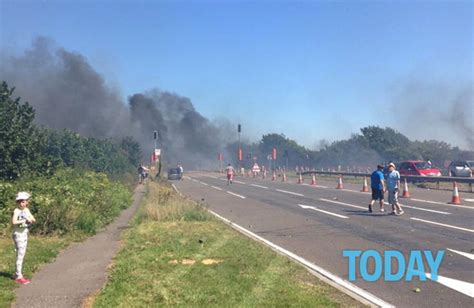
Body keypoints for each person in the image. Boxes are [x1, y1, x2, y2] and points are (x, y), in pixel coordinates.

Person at [12, 191, 36, 285]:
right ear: (17, 203)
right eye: (20, 202)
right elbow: (14, 222)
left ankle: (17, 273)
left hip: (24, 233)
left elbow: (33, 218)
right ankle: (19, 276)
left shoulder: (26, 210)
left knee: (21, 253)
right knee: (20, 254)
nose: (22, 203)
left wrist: (31, 220)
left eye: (24, 201)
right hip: (18, 234)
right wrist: (24, 220)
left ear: (27, 202)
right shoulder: (16, 211)